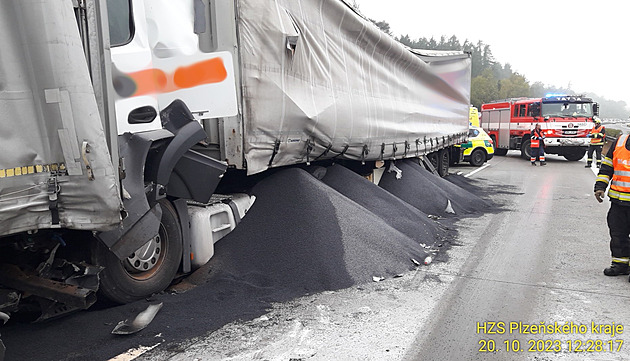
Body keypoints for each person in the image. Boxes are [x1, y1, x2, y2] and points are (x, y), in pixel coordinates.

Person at [594, 134, 630, 277]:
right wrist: (600, 186)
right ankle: (620, 264)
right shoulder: (620, 142)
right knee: (618, 234)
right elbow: (607, 167)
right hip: (618, 203)